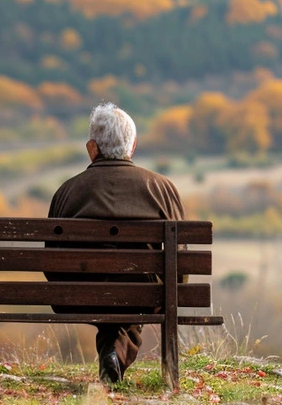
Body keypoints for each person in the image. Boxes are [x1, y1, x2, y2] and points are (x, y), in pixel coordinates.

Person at [45, 102, 186, 384]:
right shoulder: (161, 188)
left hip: (79, 294)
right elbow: (180, 265)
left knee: (117, 302)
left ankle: (112, 354)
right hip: (145, 294)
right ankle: (115, 356)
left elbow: (51, 263)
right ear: (132, 146)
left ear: (92, 148)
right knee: (137, 299)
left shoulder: (67, 191)